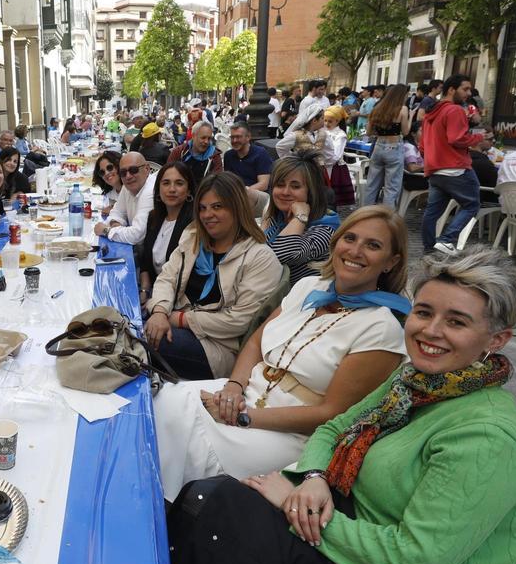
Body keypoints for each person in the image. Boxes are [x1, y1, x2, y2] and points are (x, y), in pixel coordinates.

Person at [168, 247, 516, 564]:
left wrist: (296, 507)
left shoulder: (486, 436)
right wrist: (313, 477)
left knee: (218, 526)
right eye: (424, 313)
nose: (431, 331)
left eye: (456, 322)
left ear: (496, 340)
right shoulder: (415, 383)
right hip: (366, 546)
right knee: (211, 504)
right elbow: (333, 429)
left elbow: (413, 563)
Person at [153, 205, 408, 499]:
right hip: (247, 395)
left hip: (291, 433)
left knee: (183, 435)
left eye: (373, 245)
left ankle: (160, 510)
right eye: (350, 238)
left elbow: (331, 415)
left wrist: (244, 417)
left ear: (391, 262)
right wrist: (234, 387)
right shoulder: (309, 287)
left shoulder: (381, 328)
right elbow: (254, 343)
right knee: (162, 401)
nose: (356, 250)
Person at [143, 173, 283, 381]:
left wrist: (181, 319)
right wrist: (160, 312)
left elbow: (239, 321)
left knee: (142, 341)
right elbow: (167, 278)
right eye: (202, 208)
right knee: (129, 323)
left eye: (217, 207)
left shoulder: (260, 258)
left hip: (218, 346)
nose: (207, 215)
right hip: (177, 321)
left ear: (237, 207)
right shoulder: (193, 238)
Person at [262, 152, 342, 285]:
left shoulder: (325, 230)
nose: (285, 192)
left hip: (301, 296)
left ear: (311, 191)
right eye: (280, 185)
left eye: (295, 186)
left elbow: (279, 255)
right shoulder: (279, 216)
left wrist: (300, 217)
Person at [422, 74, 480, 253]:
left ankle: (429, 249)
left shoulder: (431, 112)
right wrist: (478, 138)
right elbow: (456, 138)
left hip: (434, 169)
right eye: (465, 89)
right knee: (472, 205)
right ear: (451, 90)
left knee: (432, 211)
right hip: (456, 167)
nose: (468, 93)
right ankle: (446, 240)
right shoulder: (454, 110)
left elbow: (422, 145)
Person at [137, 162, 197, 305]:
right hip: (152, 292)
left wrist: (157, 303)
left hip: (176, 301)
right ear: (158, 189)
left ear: (189, 191)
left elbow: (185, 280)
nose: (172, 189)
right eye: (166, 183)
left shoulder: (194, 225)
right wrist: (145, 290)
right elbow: (145, 262)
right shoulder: (153, 218)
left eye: (179, 183)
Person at [362, 84, 413, 209]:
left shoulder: (377, 108)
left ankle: (365, 214)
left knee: (372, 185)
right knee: (391, 188)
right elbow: (405, 132)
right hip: (394, 147)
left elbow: (368, 132)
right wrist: (411, 117)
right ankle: (387, 216)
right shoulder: (403, 109)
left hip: (378, 146)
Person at [94, 152, 157, 245]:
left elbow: (137, 235)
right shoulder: (127, 186)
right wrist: (115, 224)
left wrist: (106, 231)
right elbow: (117, 212)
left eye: (133, 170)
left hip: (147, 250)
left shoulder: (150, 191)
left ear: (147, 169)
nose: (128, 176)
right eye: (123, 173)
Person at [469, 130, 501, 204]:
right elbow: (496, 184)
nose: (494, 141)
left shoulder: (465, 157)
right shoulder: (484, 163)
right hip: (483, 200)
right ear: (478, 141)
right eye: (490, 139)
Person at [92, 150, 123, 217]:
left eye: (109, 168)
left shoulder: (131, 189)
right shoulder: (111, 193)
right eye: (102, 172)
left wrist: (114, 210)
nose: (106, 173)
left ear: (118, 166)